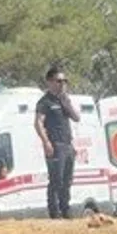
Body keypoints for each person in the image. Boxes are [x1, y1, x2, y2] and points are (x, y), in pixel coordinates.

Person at [35, 66, 82, 219]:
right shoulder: (45, 102)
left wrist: (66, 103)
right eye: (59, 81)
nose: (62, 84)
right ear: (50, 82)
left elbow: (76, 118)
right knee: (56, 180)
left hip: (68, 144)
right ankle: (54, 212)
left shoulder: (64, 100)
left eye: (64, 81)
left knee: (67, 180)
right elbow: (38, 123)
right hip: (55, 144)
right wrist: (46, 142)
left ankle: (65, 210)